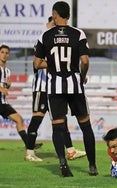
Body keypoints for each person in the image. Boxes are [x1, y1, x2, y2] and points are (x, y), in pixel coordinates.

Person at [33, 1, 98, 177]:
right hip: (75, 85)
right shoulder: (78, 33)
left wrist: (53, 64)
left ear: (55, 15)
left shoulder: (45, 35)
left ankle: (63, 164)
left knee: (58, 127)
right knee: (85, 125)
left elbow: (37, 64)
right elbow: (85, 61)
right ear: (68, 15)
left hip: (55, 87)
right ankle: (92, 166)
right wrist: (82, 76)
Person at [25, 16, 86, 162]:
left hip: (56, 86)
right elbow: (37, 63)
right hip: (42, 85)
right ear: (49, 24)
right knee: (38, 116)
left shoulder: (60, 41)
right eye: (54, 23)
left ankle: (70, 150)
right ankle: (29, 152)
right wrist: (55, 63)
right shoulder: (44, 38)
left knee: (61, 119)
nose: (58, 26)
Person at [0, 44, 29, 149]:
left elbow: (6, 88)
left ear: (9, 55)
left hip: (3, 103)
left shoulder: (7, 71)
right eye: (2, 52)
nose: (4, 55)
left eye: (6, 53)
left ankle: (29, 145)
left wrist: (7, 86)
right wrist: (1, 89)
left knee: (19, 120)